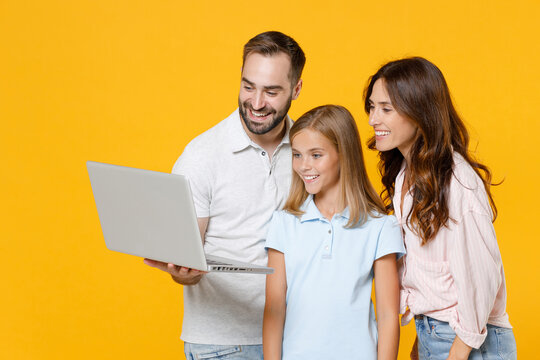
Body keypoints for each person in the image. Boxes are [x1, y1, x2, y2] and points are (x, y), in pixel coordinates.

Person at [143, 31, 305, 360]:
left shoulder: (311, 149)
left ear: (297, 89)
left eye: (271, 92)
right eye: (248, 86)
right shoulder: (202, 155)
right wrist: (181, 271)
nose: (257, 103)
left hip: (299, 335)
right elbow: (183, 264)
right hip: (223, 344)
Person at [364, 57, 517, 360]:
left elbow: (482, 275)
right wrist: (423, 341)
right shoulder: (407, 175)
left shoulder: (458, 181)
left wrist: (457, 351)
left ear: (418, 112)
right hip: (439, 334)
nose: (372, 119)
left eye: (386, 109)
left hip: (470, 341)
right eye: (371, 106)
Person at [263, 105, 405, 360]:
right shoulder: (283, 223)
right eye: (297, 154)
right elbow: (274, 309)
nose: (304, 165)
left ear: (344, 154)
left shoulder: (380, 227)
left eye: (316, 155)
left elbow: (387, 317)